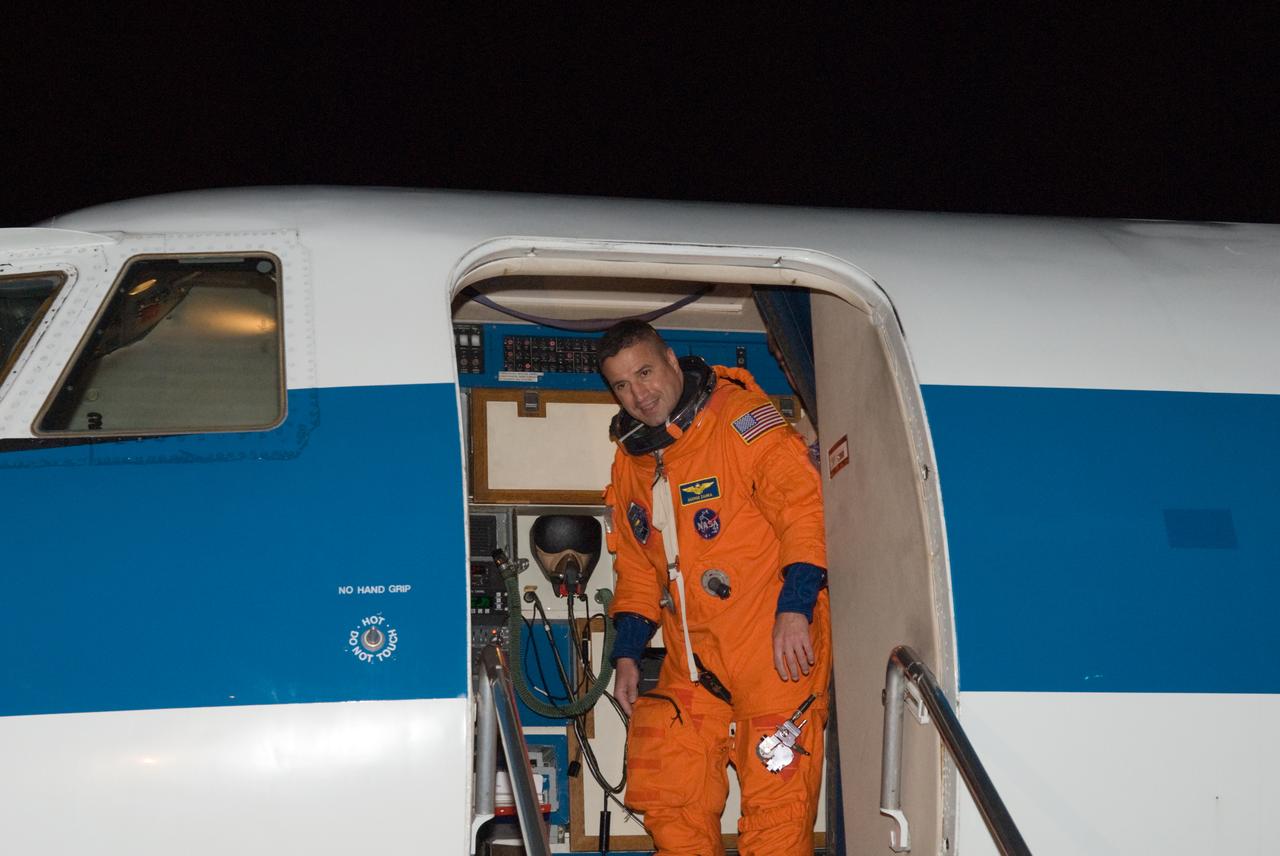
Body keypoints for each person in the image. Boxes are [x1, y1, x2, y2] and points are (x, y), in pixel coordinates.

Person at [598, 320, 830, 856]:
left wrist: (795, 608)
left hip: (773, 652)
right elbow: (635, 567)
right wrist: (627, 654)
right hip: (693, 664)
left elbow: (804, 509)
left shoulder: (742, 421)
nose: (640, 394)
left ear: (673, 363)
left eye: (646, 372)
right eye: (622, 385)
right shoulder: (632, 461)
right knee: (670, 798)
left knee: (777, 819)